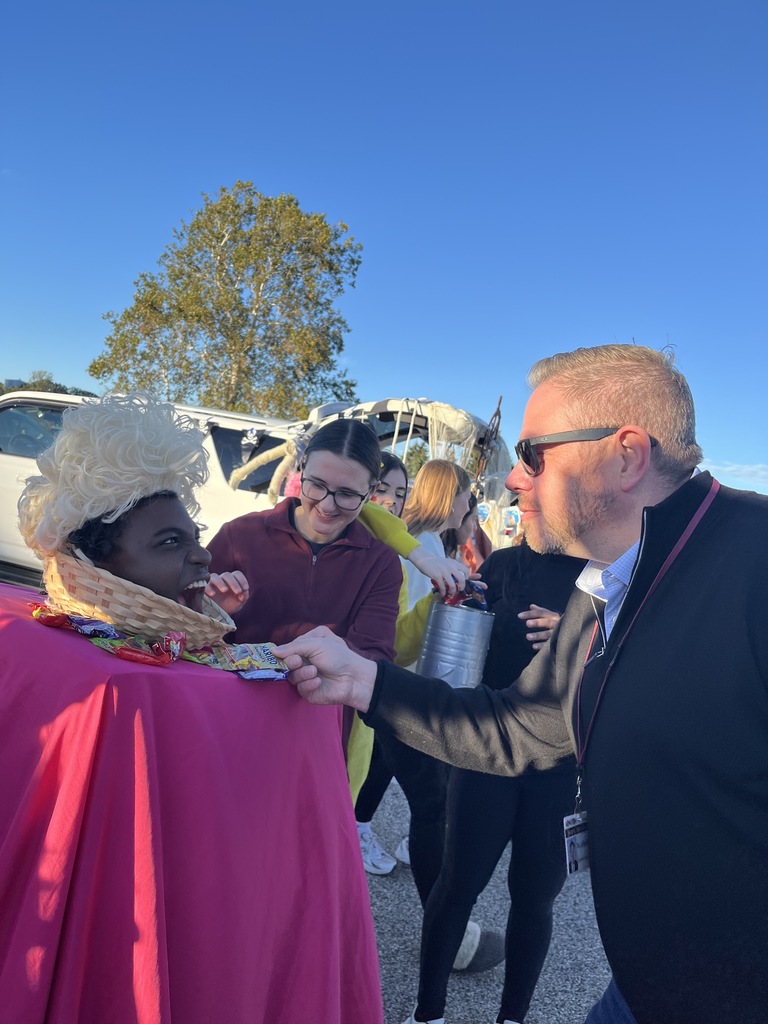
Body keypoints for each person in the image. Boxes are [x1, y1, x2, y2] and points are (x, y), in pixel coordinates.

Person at [274, 343, 768, 1024]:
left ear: (625, 455)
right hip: (639, 989)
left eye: (534, 455)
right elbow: (522, 726)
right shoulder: (609, 582)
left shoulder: (755, 562)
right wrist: (366, 682)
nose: (512, 478)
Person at [9, 391, 385, 1022]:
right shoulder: (241, 535)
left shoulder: (379, 563)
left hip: (282, 763)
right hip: (206, 754)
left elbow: (372, 656)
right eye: (317, 485)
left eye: (348, 495)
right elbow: (198, 639)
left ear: (370, 496)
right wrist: (228, 626)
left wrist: (281, 650)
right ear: (298, 478)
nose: (327, 504)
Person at [406, 538, 585, 1024]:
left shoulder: (608, 576)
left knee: (534, 899)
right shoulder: (505, 562)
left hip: (560, 766)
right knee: (457, 884)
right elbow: (461, 651)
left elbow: (636, 665)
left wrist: (581, 644)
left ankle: (512, 1018)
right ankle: (427, 1014)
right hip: (486, 751)